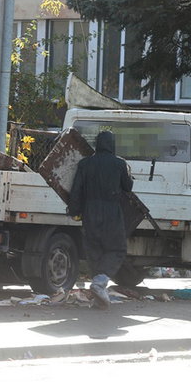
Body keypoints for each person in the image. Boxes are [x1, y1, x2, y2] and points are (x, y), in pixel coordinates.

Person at [67, 130, 134, 309]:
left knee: (94, 249)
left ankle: (99, 293)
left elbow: (76, 190)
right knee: (116, 248)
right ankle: (100, 282)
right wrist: (127, 172)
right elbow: (128, 187)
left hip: (90, 211)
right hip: (112, 211)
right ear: (112, 145)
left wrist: (74, 210)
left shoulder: (85, 164)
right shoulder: (119, 163)